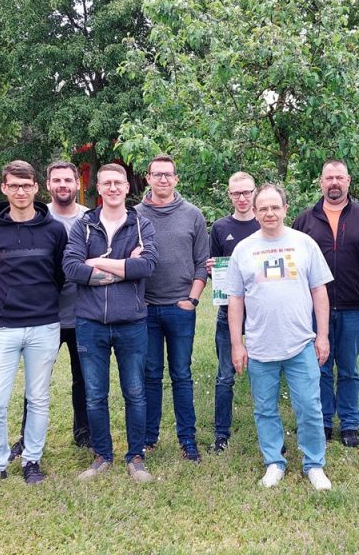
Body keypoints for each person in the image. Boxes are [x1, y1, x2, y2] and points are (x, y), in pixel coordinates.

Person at [224, 184, 334, 490]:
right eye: (263, 208)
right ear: (255, 212)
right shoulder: (243, 249)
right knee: (264, 409)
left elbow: (319, 291)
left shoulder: (304, 243)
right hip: (260, 347)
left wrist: (322, 335)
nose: (269, 213)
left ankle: (314, 464)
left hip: (300, 344)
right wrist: (237, 344)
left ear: (286, 208)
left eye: (275, 207)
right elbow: (235, 299)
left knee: (310, 407)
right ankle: (274, 461)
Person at [0, 160, 66, 489]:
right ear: (4, 188)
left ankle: (32, 460)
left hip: (44, 325)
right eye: (14, 185)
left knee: (37, 398)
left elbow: (59, 274)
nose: (20, 191)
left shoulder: (55, 230)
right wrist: (9, 300)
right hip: (4, 326)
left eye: (26, 185)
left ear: (36, 188)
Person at [63, 163, 159, 483]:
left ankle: (136, 456)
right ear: (99, 188)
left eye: (119, 183)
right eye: (107, 183)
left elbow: (147, 266)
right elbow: (71, 267)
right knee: (94, 394)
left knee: (135, 392)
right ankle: (102, 455)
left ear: (128, 187)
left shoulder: (141, 224)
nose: (113, 188)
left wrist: (97, 263)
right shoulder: (84, 225)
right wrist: (124, 266)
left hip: (132, 322)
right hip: (90, 323)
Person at [7, 161, 90, 461]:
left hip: (83, 314)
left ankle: (85, 433)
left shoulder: (90, 219)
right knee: (36, 382)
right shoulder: (37, 218)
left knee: (85, 379)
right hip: (45, 316)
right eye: (57, 180)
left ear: (78, 184)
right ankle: (26, 437)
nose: (63, 185)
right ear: (47, 185)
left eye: (68, 179)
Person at [293, 160, 359, 447]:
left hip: (353, 306)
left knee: (349, 368)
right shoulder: (304, 221)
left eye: (339, 177)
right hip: (314, 308)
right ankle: (324, 421)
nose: (334, 183)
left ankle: (350, 423)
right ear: (321, 182)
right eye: (329, 178)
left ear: (348, 181)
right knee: (320, 365)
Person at [135, 154, 210, 462]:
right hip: (146, 309)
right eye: (157, 174)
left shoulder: (193, 215)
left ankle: (187, 439)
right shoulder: (134, 215)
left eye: (168, 174)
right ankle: (148, 438)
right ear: (148, 178)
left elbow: (201, 263)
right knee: (150, 374)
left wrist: (192, 300)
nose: (163, 179)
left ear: (176, 179)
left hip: (180, 308)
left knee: (181, 374)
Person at [206, 171, 260, 453]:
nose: (242, 198)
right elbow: (216, 273)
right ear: (229, 195)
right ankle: (221, 435)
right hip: (229, 313)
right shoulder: (219, 228)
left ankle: (268, 433)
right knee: (225, 376)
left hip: (262, 314)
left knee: (263, 375)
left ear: (254, 193)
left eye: (246, 192)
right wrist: (211, 269)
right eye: (236, 193)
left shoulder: (265, 223)